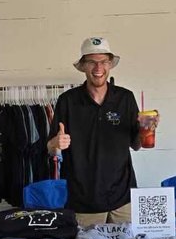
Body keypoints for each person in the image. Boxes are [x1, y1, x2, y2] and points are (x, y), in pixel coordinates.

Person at [47, 37, 159, 226]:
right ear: (83, 66)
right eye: (91, 61)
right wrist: (55, 144)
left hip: (123, 199)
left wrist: (146, 130)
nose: (98, 67)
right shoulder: (67, 101)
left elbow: (136, 145)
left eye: (104, 61)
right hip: (83, 201)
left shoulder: (125, 98)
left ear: (110, 65)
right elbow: (50, 148)